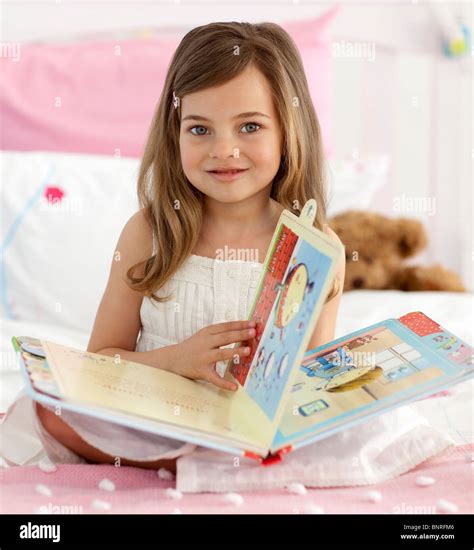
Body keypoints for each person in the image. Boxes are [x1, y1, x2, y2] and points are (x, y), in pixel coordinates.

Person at [0, 21, 345, 474]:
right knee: (49, 410)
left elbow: (314, 381)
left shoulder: (315, 246)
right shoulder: (150, 233)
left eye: (249, 126)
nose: (224, 149)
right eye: (200, 130)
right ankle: (197, 464)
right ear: (174, 132)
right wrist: (176, 361)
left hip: (254, 431)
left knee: (354, 428)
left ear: (288, 130)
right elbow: (101, 361)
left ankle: (214, 461)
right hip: (155, 420)